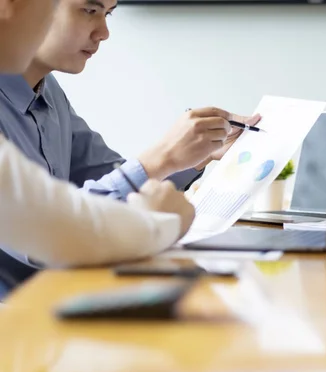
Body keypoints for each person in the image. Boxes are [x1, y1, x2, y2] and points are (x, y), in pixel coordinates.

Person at [0, 0, 260, 285]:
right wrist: (160, 172)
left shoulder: (48, 93)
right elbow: (53, 230)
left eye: (108, 13)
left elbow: (107, 180)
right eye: (89, 10)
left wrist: (192, 156)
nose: (105, 32)